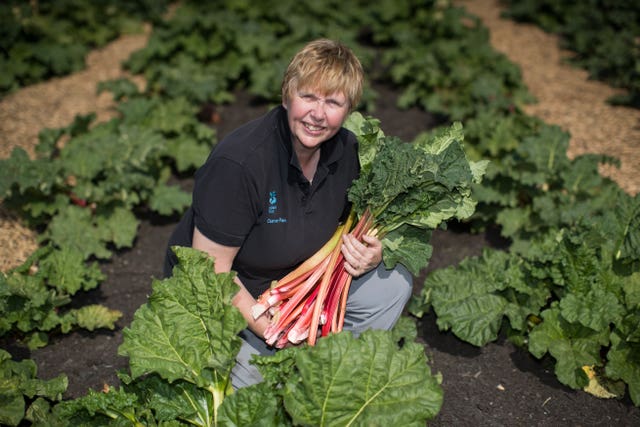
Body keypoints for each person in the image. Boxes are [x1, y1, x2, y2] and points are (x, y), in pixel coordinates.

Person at [163, 38, 412, 388]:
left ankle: (339, 379)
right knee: (256, 390)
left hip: (295, 285)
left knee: (392, 283)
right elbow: (209, 270)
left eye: (333, 102)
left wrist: (372, 252)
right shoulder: (239, 164)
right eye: (308, 96)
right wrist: (272, 331)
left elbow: (355, 224)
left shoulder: (352, 153)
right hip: (231, 294)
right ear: (286, 96)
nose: (318, 114)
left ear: (349, 110)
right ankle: (292, 361)